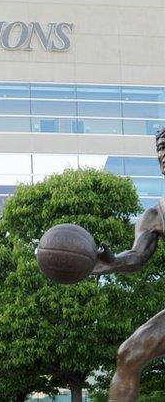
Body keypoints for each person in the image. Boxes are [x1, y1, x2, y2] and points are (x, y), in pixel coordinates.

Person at [91, 127, 165, 402]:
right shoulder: (155, 215)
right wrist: (111, 262)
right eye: (161, 150)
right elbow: (137, 256)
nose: (164, 155)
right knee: (129, 354)